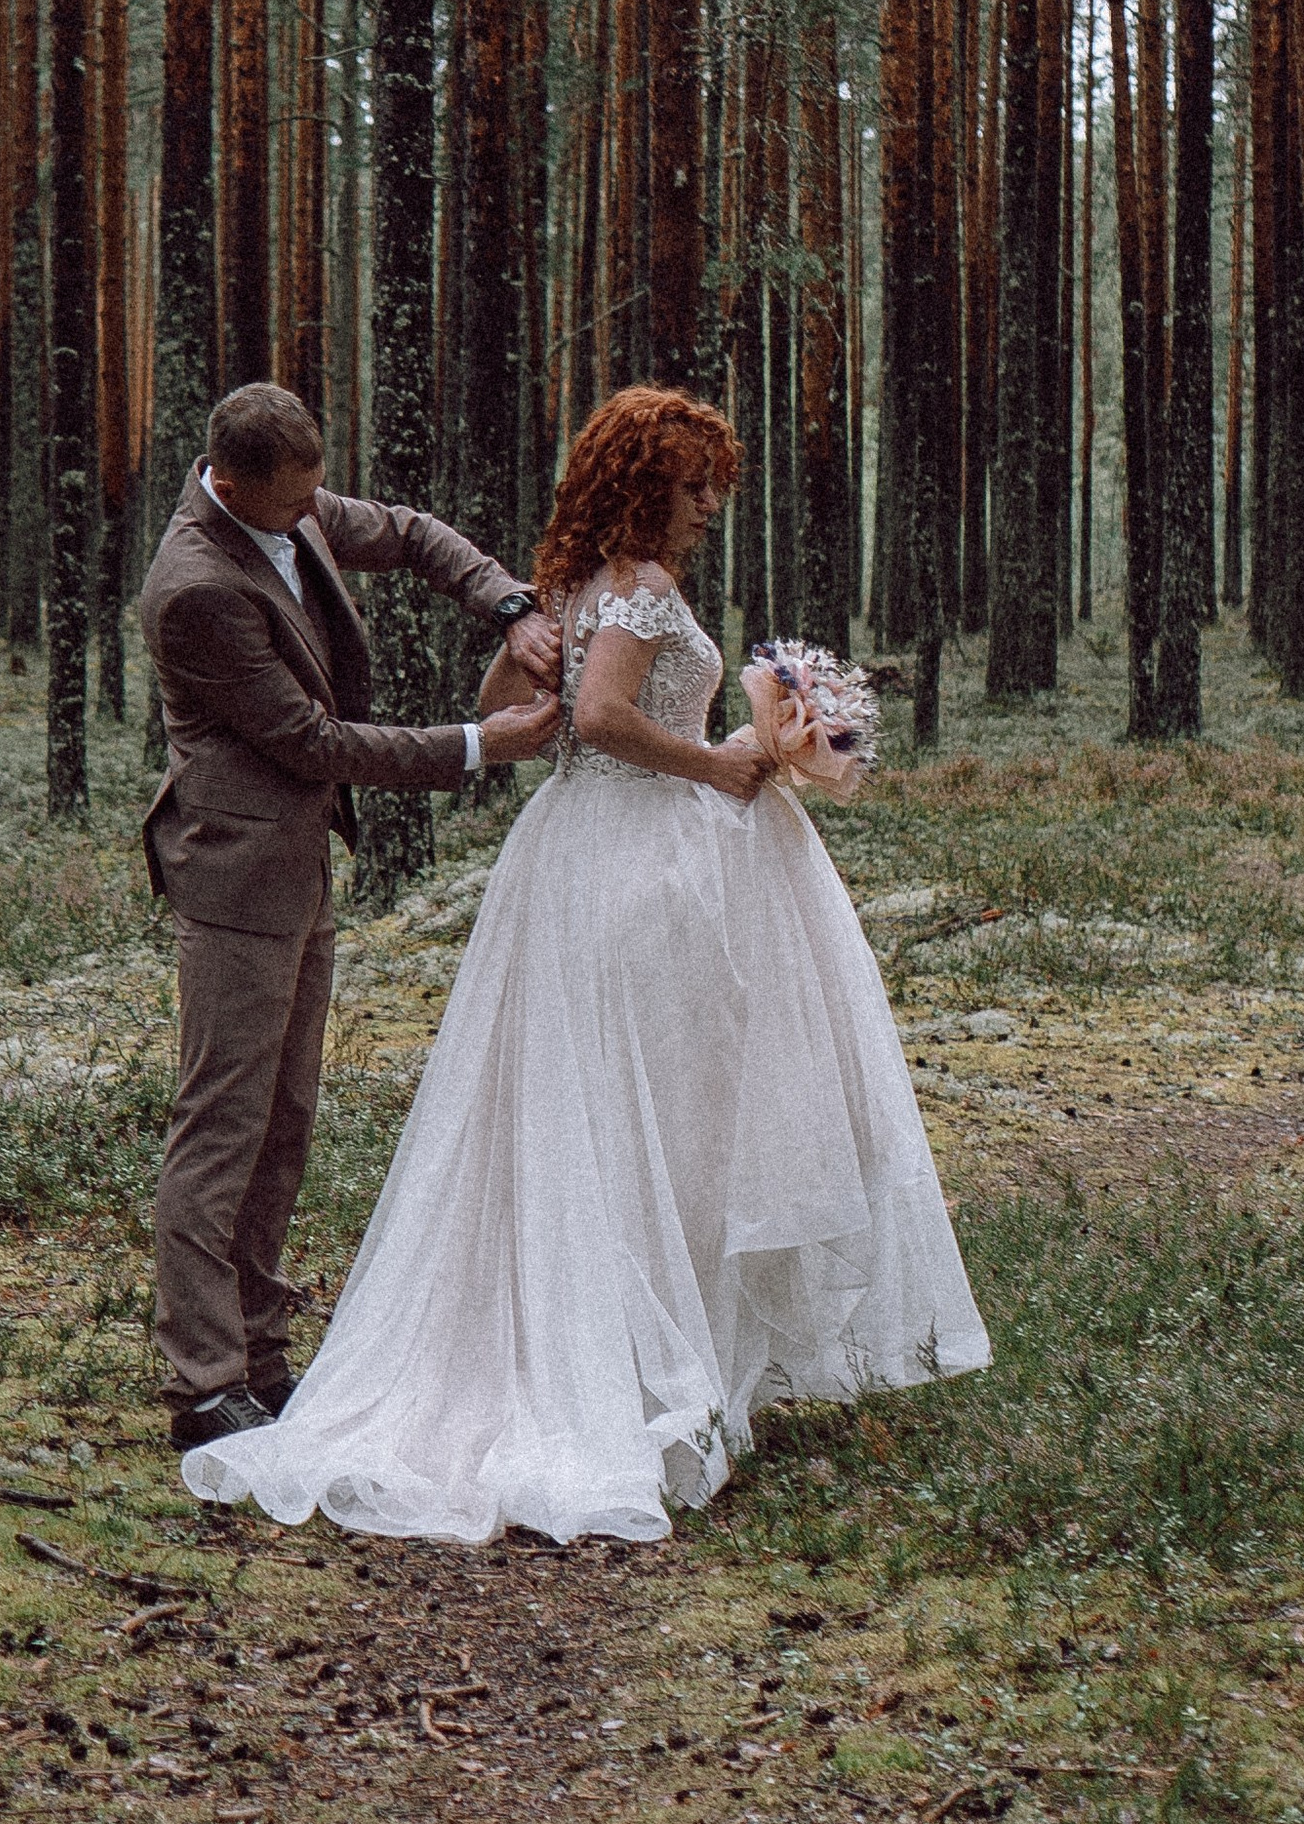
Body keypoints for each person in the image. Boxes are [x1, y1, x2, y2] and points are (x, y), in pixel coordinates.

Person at [180, 384, 990, 1546]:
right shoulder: (639, 591)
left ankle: (641, 1343)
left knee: (605, 1108)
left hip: (573, 856)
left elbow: (505, 697)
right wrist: (714, 766)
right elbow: (603, 717)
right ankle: (627, 1363)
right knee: (649, 1108)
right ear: (641, 484)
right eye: (693, 484)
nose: (710, 505)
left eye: (714, 484)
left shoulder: (565, 589)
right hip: (632, 863)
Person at [136, 381, 563, 1453]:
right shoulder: (196, 588)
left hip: (301, 870)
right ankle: (203, 1382)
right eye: (292, 501)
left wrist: (508, 601)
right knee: (220, 1125)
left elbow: (412, 535)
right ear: (227, 484)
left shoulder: (294, 502)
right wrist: (481, 746)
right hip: (234, 880)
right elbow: (309, 741)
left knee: (284, 1124)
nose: (313, 512)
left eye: (318, 489)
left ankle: (263, 1354)